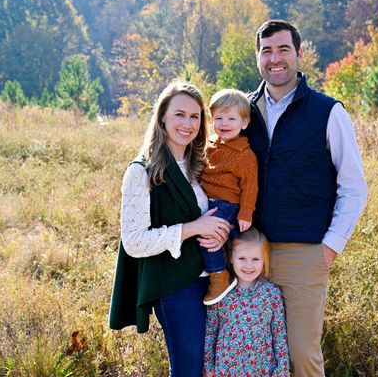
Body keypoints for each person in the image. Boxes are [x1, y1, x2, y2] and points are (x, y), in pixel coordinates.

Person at [245, 19, 368, 376]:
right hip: (251, 253)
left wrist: (330, 247)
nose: (275, 58)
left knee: (302, 356)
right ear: (258, 58)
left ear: (299, 55)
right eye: (267, 50)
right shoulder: (243, 112)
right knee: (255, 355)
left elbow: (354, 186)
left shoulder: (328, 112)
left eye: (283, 49)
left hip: (304, 254)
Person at [108, 81, 232, 377]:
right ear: (162, 116)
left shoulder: (201, 164)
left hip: (214, 278)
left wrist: (219, 230)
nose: (187, 124)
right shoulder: (142, 171)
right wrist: (193, 228)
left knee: (212, 368)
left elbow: (211, 213)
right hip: (176, 285)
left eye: (195, 116)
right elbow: (134, 242)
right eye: (179, 114)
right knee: (188, 369)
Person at [203, 228, 290, 376]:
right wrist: (208, 367)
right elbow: (211, 330)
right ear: (231, 257)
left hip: (262, 370)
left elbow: (279, 334)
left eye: (255, 259)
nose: (248, 265)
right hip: (225, 370)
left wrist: (281, 371)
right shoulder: (220, 291)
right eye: (242, 258)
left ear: (264, 260)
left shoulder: (272, 293)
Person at [199, 88, 258, 305]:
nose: (224, 123)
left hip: (227, 203)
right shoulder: (209, 145)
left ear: (244, 123)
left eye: (231, 118)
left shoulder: (245, 155)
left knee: (209, 238)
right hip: (208, 200)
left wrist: (245, 213)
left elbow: (250, 187)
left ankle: (218, 276)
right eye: (219, 118)